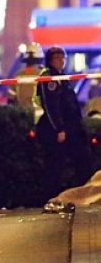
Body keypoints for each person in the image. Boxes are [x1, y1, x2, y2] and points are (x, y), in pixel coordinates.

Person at [36, 46, 93, 200]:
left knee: (82, 161)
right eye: (57, 58)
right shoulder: (49, 78)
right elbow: (51, 106)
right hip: (58, 130)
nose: (61, 61)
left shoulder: (61, 77)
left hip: (71, 128)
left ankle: (83, 196)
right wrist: (59, 129)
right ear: (50, 60)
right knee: (55, 165)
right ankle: (49, 197)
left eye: (63, 58)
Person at [8, 43, 44, 115]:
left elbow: (10, 100)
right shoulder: (44, 75)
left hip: (22, 116)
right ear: (40, 59)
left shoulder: (18, 76)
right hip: (41, 117)